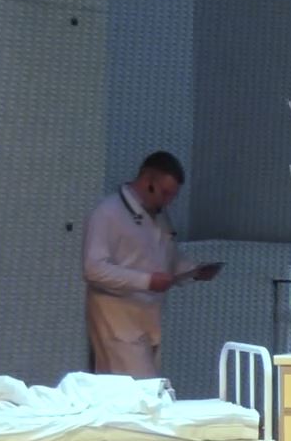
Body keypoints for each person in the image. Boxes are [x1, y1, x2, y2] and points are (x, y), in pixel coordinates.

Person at [82, 151, 217, 378]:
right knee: (136, 389)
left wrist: (193, 271)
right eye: (164, 193)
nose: (167, 201)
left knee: (146, 387)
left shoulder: (159, 218)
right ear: (147, 181)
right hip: (117, 320)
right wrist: (146, 281)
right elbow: (93, 269)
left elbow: (167, 258)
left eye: (172, 195)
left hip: (148, 320)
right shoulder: (108, 212)